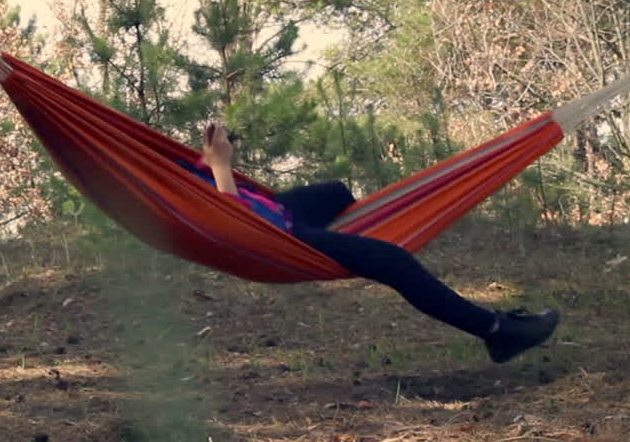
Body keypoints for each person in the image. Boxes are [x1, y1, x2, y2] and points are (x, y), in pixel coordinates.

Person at [197, 123, 559, 364]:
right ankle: (497, 331)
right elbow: (234, 223)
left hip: (275, 211)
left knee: (336, 193)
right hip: (276, 236)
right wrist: (220, 165)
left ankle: (355, 233)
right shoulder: (151, 189)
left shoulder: (153, 164)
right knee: (392, 259)